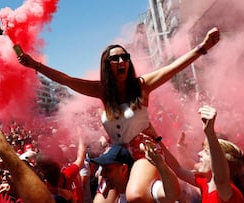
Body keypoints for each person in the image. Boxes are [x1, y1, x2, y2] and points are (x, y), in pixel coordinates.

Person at [17, 27, 220, 202]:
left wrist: (203, 47)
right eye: (115, 58)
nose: (122, 60)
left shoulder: (142, 85)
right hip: (116, 155)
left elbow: (173, 68)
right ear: (107, 65)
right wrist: (35, 65)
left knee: (136, 195)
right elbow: (67, 80)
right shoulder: (102, 91)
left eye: (125, 57)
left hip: (144, 150)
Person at [142, 105, 244, 202]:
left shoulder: (227, 191)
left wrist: (210, 133)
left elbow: (221, 179)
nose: (199, 154)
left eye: (206, 152)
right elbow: (177, 169)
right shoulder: (205, 182)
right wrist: (156, 138)